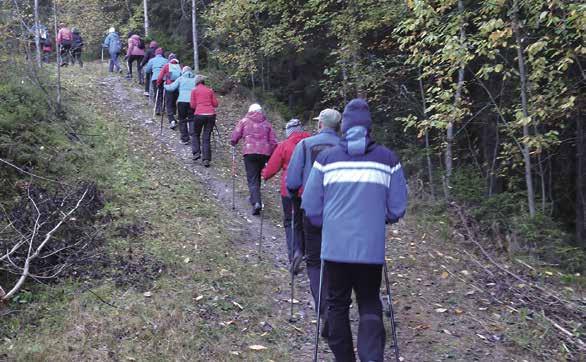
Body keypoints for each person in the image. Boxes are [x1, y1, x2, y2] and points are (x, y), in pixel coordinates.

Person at [302, 98, 408, 362]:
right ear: (369, 127)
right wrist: (376, 218)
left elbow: (310, 205)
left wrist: (329, 223)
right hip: (370, 249)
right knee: (370, 300)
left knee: (336, 304)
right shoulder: (388, 159)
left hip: (335, 248)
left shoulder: (326, 159)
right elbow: (397, 208)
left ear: (344, 127)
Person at [286, 108, 341, 309]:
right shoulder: (347, 147)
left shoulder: (305, 144)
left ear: (320, 125)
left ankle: (324, 309)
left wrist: (293, 197)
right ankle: (337, 305)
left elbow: (292, 181)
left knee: (315, 261)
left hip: (312, 209)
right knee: (337, 259)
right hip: (341, 211)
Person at [261, 119, 310, 268]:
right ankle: (307, 253)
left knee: (291, 222)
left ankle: (295, 253)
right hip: (310, 189)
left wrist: (265, 174)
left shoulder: (284, 146)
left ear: (289, 131)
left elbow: (272, 167)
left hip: (289, 190)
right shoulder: (312, 144)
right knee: (306, 222)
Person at [230, 104, 278, 215]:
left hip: (250, 152)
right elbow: (274, 141)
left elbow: (235, 134)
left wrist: (233, 142)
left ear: (250, 111)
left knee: (252, 178)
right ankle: (254, 198)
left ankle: (256, 202)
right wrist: (270, 153)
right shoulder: (267, 124)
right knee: (257, 177)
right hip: (264, 153)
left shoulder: (244, 121)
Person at [189, 76, 219, 167]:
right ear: (203, 82)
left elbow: (193, 105)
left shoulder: (194, 91)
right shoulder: (210, 90)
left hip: (199, 114)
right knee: (206, 137)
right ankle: (206, 159)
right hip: (210, 115)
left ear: (196, 82)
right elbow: (215, 104)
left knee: (196, 133)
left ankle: (196, 152)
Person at [165, 66, 197, 145]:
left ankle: (185, 139)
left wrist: (165, 85)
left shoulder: (180, 78)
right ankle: (193, 136)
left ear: (183, 71)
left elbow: (172, 88)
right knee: (192, 119)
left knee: (182, 119)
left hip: (182, 101)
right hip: (193, 101)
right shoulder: (196, 79)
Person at [157, 54, 181, 129]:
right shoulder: (180, 66)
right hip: (178, 87)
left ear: (169, 59)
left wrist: (158, 84)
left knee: (169, 103)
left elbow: (160, 76)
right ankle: (175, 116)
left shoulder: (167, 65)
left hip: (169, 86)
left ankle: (172, 120)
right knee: (174, 101)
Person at [144, 48, 167, 115]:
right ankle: (162, 108)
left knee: (156, 92)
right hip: (164, 78)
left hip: (155, 78)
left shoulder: (152, 60)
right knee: (162, 93)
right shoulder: (166, 60)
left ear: (155, 53)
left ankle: (157, 108)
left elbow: (147, 70)